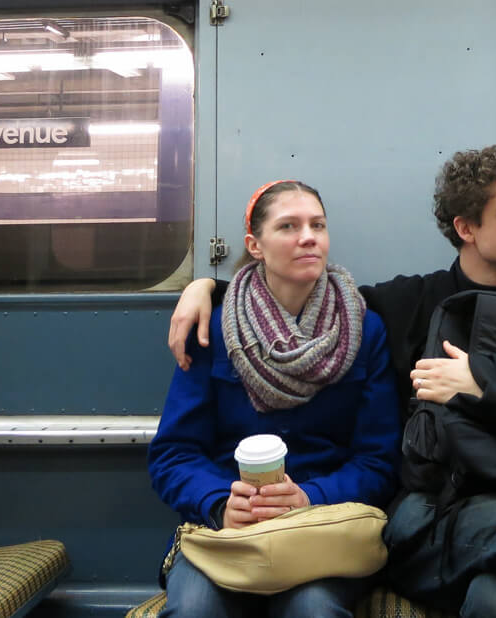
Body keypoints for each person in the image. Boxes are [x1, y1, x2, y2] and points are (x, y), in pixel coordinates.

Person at [167, 147, 496, 616]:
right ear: (466, 228)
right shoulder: (409, 303)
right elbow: (300, 297)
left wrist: (486, 382)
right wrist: (206, 288)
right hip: (434, 518)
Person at [149, 180, 399, 618]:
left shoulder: (363, 329)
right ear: (255, 245)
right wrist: (221, 503)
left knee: (314, 612)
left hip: (320, 526)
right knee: (194, 612)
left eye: (317, 225)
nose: (308, 236)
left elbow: (378, 462)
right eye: (289, 226)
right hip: (225, 531)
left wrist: (309, 496)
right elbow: (173, 454)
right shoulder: (215, 329)